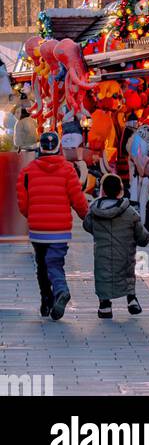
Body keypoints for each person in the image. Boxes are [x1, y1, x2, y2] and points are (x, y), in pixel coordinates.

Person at [16, 130, 90, 319]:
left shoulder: (27, 171)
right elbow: (78, 199)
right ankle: (60, 291)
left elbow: (23, 204)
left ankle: (46, 301)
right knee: (55, 262)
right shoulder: (68, 170)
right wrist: (86, 217)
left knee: (41, 265)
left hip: (38, 230)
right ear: (58, 149)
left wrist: (33, 216)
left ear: (40, 148)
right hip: (60, 229)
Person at [83, 172, 149, 318]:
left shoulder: (95, 210)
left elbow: (87, 225)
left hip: (102, 255)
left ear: (103, 190)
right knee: (127, 274)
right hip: (125, 255)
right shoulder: (130, 212)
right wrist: (144, 239)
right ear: (121, 190)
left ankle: (105, 305)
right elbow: (142, 236)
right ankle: (131, 298)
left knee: (103, 275)